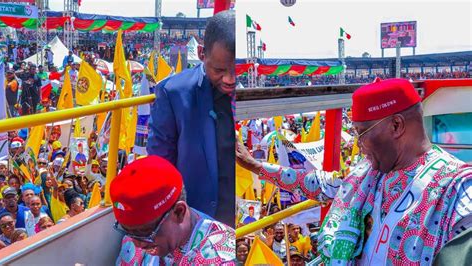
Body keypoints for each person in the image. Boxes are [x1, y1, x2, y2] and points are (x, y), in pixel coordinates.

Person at [236, 78, 472, 265]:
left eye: (361, 132)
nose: (358, 143)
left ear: (396, 126)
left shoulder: (458, 192)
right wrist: (256, 166)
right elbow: (320, 184)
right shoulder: (365, 175)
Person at [146, 10, 235, 226]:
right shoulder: (173, 93)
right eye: (219, 70)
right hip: (197, 223)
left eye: (236, 70)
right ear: (202, 53)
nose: (230, 80)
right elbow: (160, 166)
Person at [111, 156, 235, 265]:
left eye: (146, 232)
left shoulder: (220, 259)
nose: (137, 244)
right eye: (126, 230)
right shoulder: (134, 238)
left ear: (179, 212)